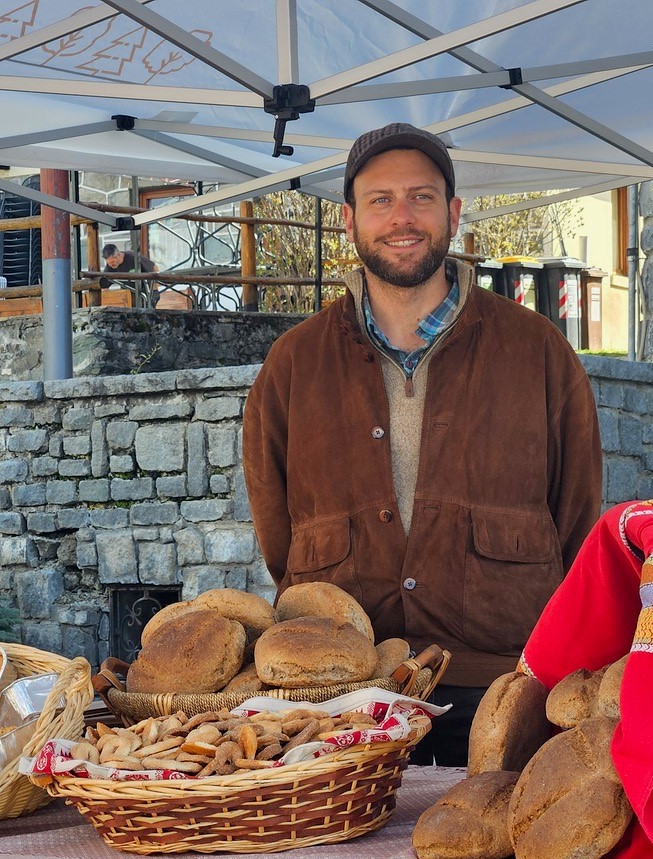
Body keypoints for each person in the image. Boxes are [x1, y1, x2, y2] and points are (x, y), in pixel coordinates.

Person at [242, 122, 602, 767]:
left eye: (422, 197)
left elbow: (577, 511)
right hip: (342, 695)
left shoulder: (537, 349)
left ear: (454, 213)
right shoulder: (294, 362)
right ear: (349, 221)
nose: (401, 217)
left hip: (501, 683)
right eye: (380, 200)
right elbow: (276, 525)